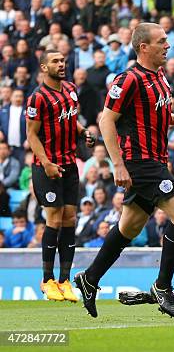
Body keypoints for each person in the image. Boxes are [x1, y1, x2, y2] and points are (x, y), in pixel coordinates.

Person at [74, 23, 174, 319]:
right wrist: (117, 164)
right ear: (144, 47)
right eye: (162, 41)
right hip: (140, 163)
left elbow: (152, 111)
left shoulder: (160, 76)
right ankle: (163, 286)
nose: (168, 46)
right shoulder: (128, 79)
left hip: (155, 159)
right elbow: (106, 121)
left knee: (129, 227)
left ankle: (89, 279)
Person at [26, 50, 95, 302]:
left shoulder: (71, 90)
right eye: (55, 61)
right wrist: (46, 163)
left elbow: (70, 120)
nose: (61, 64)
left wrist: (83, 131)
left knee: (70, 218)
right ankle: (47, 280)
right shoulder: (37, 98)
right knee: (53, 217)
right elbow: (32, 134)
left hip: (69, 164)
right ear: (44, 67)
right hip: (47, 166)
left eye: (63, 60)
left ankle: (65, 280)